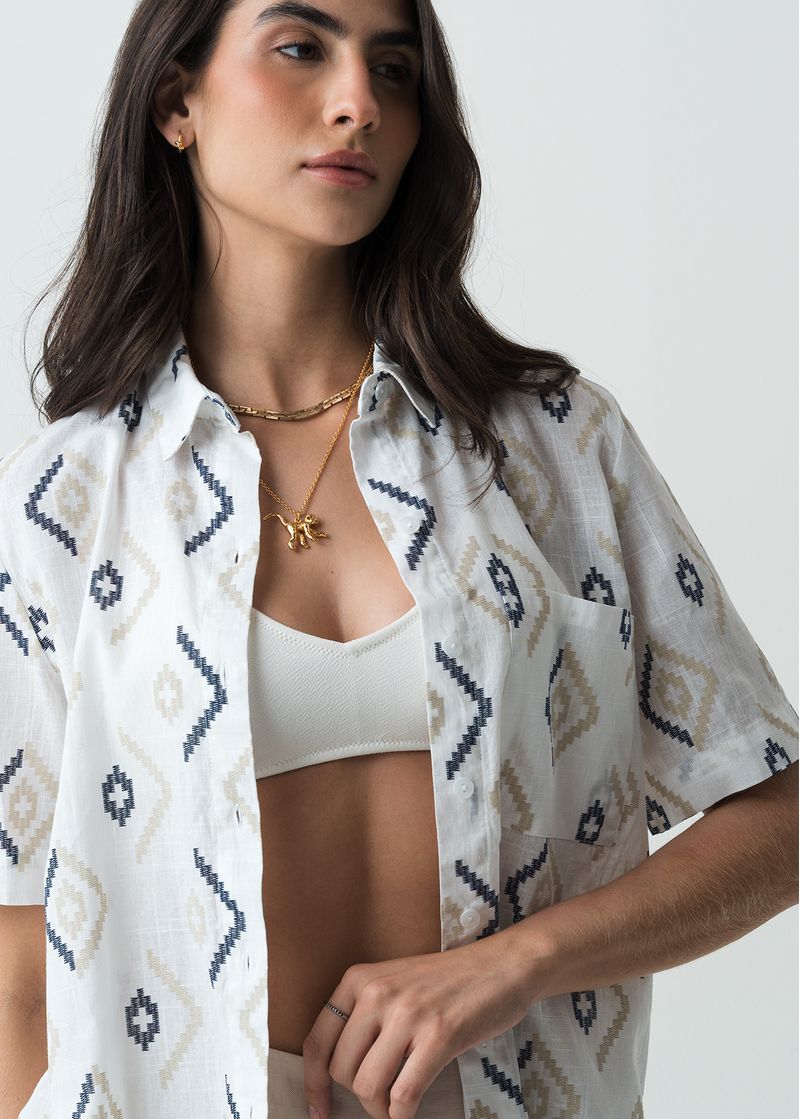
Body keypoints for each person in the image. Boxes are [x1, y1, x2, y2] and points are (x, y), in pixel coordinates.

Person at [0, 2, 797, 1118]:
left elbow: (777, 819)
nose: (358, 104)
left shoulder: (555, 450)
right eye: (300, 48)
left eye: (394, 69)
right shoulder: (64, 507)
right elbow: (20, 977)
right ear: (177, 100)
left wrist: (515, 962)